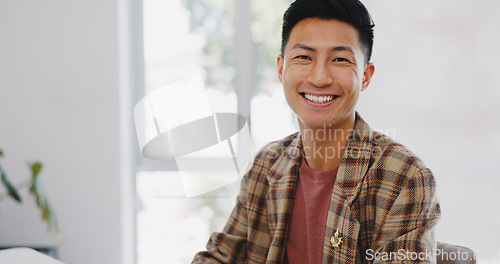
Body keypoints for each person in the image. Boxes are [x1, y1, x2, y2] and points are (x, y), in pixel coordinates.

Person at [193, 0, 441, 263]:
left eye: (340, 59)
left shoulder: (406, 178)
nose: (319, 78)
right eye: (304, 57)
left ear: (366, 76)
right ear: (281, 68)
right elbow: (222, 256)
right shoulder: (266, 166)